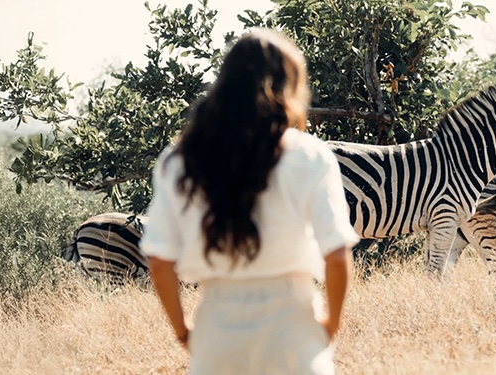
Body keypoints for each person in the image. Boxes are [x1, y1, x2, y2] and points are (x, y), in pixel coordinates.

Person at [139, 28, 359, 374]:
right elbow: (337, 254)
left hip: (217, 334)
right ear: (290, 86)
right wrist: (330, 326)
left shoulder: (179, 160)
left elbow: (158, 259)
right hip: (294, 333)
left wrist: (183, 332)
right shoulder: (310, 155)